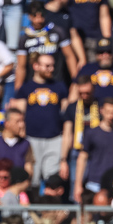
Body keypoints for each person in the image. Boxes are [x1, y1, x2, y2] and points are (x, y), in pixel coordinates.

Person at [14, 53, 67, 185]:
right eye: (47, 66)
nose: (51, 69)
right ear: (36, 66)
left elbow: (66, 113)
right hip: (32, 138)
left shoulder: (59, 87)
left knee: (53, 179)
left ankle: (51, 205)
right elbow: (19, 114)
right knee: (33, 178)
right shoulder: (26, 88)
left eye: (52, 66)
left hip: (54, 138)